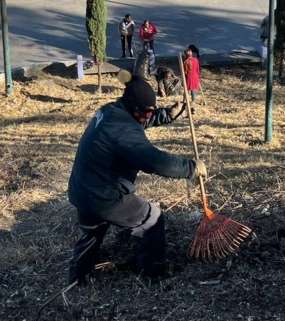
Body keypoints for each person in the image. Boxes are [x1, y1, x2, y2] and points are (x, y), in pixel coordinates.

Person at [67, 73, 203, 283]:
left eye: (152, 112)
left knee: (92, 232)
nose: (149, 116)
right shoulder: (121, 129)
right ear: (134, 107)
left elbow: (134, 124)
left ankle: (78, 276)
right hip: (105, 196)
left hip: (82, 190)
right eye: (147, 112)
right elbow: (154, 161)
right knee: (152, 218)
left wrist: (167, 114)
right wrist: (191, 168)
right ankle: (153, 274)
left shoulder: (111, 111)